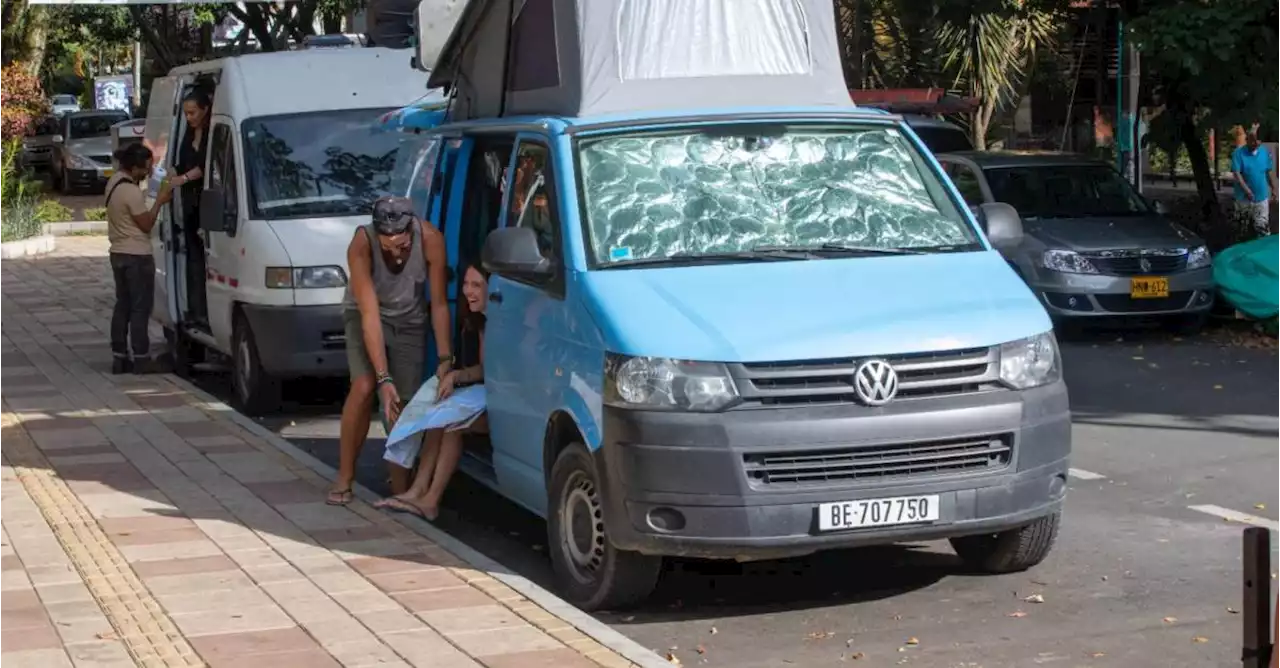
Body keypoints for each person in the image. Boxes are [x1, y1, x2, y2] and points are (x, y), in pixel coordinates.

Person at [328, 196, 453, 506]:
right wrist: (383, 378)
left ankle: (400, 487)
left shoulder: (432, 239)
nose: (396, 253)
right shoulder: (361, 243)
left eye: (402, 245)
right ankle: (344, 476)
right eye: (387, 246)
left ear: (412, 228)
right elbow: (369, 314)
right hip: (365, 316)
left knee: (405, 405)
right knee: (365, 385)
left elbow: (438, 304)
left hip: (410, 320)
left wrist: (445, 358)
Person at [376, 261, 488, 521]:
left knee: (451, 424)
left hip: (501, 404)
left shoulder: (498, 324)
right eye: (466, 284)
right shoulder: (476, 320)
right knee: (438, 416)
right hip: (479, 397)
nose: (468, 291)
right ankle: (417, 490)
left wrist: (457, 375)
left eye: (476, 286)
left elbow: (490, 370)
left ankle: (431, 499)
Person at [105, 143, 172, 374]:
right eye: (146, 168)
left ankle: (119, 356)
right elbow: (146, 224)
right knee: (140, 308)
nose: (149, 172)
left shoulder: (113, 183)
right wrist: (160, 201)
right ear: (134, 168)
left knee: (122, 305)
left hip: (118, 253)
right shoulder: (131, 191)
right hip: (137, 256)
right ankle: (142, 358)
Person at [169, 90, 211, 326]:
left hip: (206, 202)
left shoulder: (212, 131)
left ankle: (205, 310)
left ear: (205, 109)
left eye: (193, 112)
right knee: (192, 258)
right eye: (186, 113)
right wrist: (168, 176)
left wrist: (183, 178)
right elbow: (182, 162)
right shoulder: (188, 133)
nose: (189, 117)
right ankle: (195, 309)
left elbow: (206, 164)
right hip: (189, 204)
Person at [1230, 131, 1278, 238]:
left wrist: (1274, 188)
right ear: (1247, 140)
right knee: (1242, 227)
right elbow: (1237, 175)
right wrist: (1247, 190)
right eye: (1252, 141)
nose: (1254, 144)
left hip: (1261, 197)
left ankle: (1263, 249)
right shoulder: (1238, 153)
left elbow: (1269, 171)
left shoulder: (1264, 152)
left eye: (1257, 142)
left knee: (1262, 227)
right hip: (1243, 198)